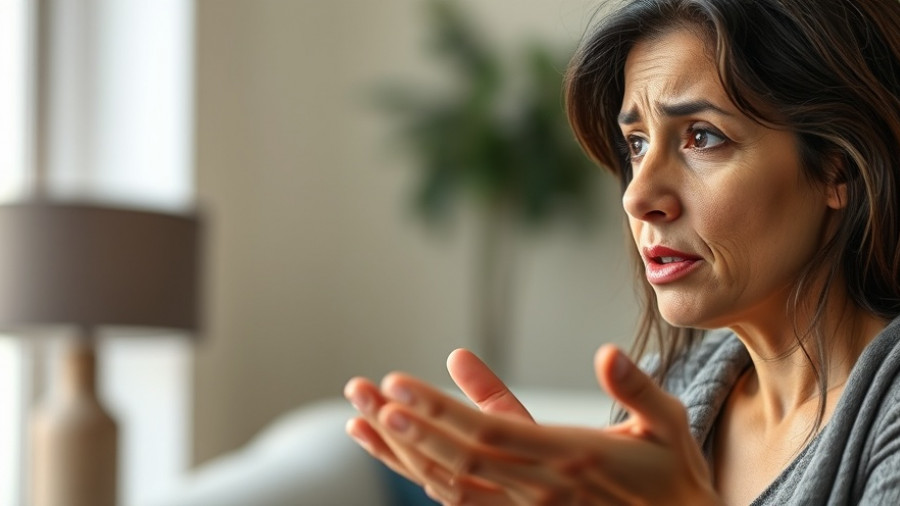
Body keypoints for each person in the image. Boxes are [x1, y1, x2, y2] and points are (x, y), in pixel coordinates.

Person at [344, 0, 900, 503]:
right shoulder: (667, 393)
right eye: (636, 144)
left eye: (701, 136)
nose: (637, 196)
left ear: (837, 167)